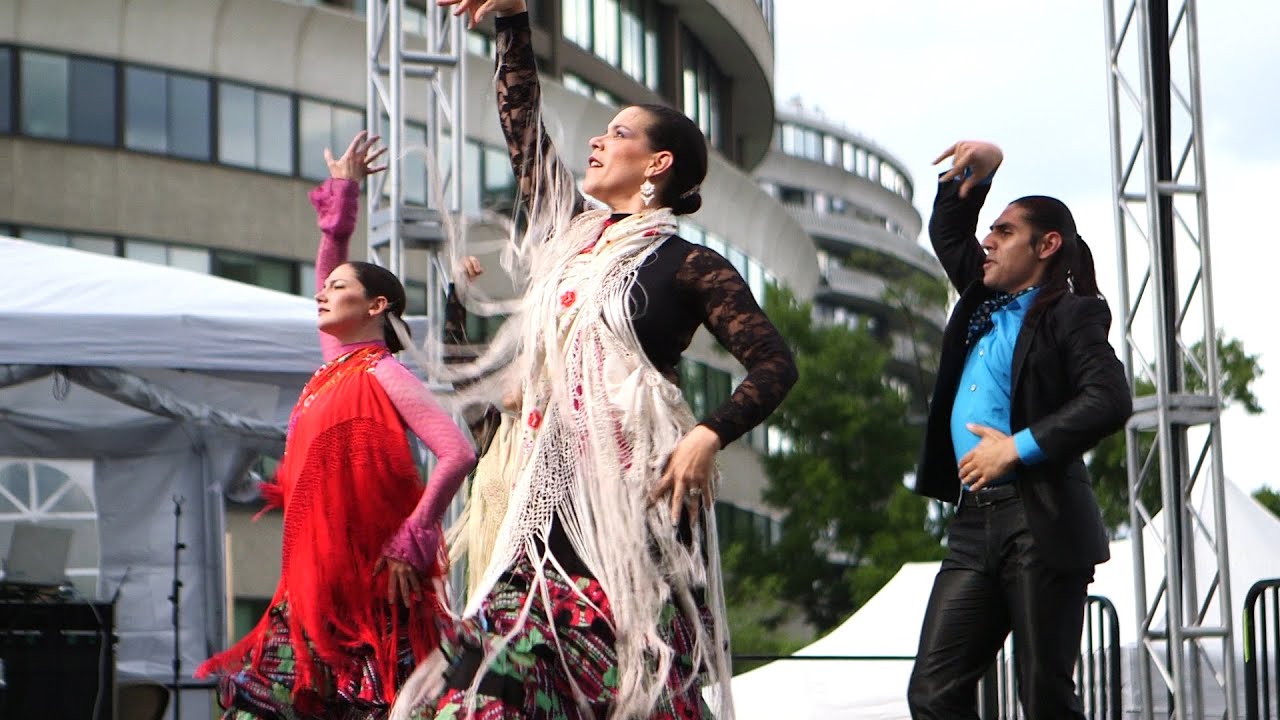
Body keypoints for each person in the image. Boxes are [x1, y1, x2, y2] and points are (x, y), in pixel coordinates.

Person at [392, 0, 798, 717]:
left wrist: (707, 435)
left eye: (619, 133)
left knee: (634, 690)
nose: (598, 142)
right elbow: (524, 132)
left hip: (633, 505)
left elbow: (774, 365)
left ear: (657, 164)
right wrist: (514, 22)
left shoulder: (689, 264)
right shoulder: (572, 234)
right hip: (547, 500)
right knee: (487, 681)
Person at [196, 131, 478, 720]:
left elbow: (457, 451)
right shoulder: (335, 364)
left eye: (339, 289)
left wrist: (413, 536)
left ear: (376, 307)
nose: (322, 294)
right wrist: (343, 197)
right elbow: (331, 262)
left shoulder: (383, 371)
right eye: (324, 289)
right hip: (308, 586)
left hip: (371, 585)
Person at [906, 140, 1132, 719]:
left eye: (1004, 232)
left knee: (1044, 698)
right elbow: (951, 234)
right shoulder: (983, 298)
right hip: (972, 523)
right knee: (932, 693)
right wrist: (979, 175)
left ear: (1046, 245)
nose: (988, 240)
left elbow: (1109, 399)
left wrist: (1015, 449)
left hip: (1040, 519)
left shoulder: (1072, 313)